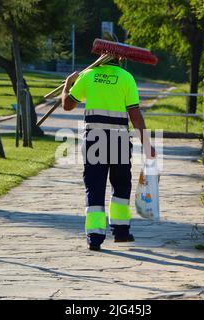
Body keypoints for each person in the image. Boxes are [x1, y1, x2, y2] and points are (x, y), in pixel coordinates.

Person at [62, 58, 155, 251]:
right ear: (120, 57)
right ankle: (121, 232)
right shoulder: (126, 78)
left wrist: (67, 85)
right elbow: (135, 114)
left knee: (94, 187)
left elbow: (67, 105)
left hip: (94, 140)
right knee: (121, 184)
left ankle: (94, 237)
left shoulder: (87, 76)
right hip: (119, 140)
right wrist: (147, 144)